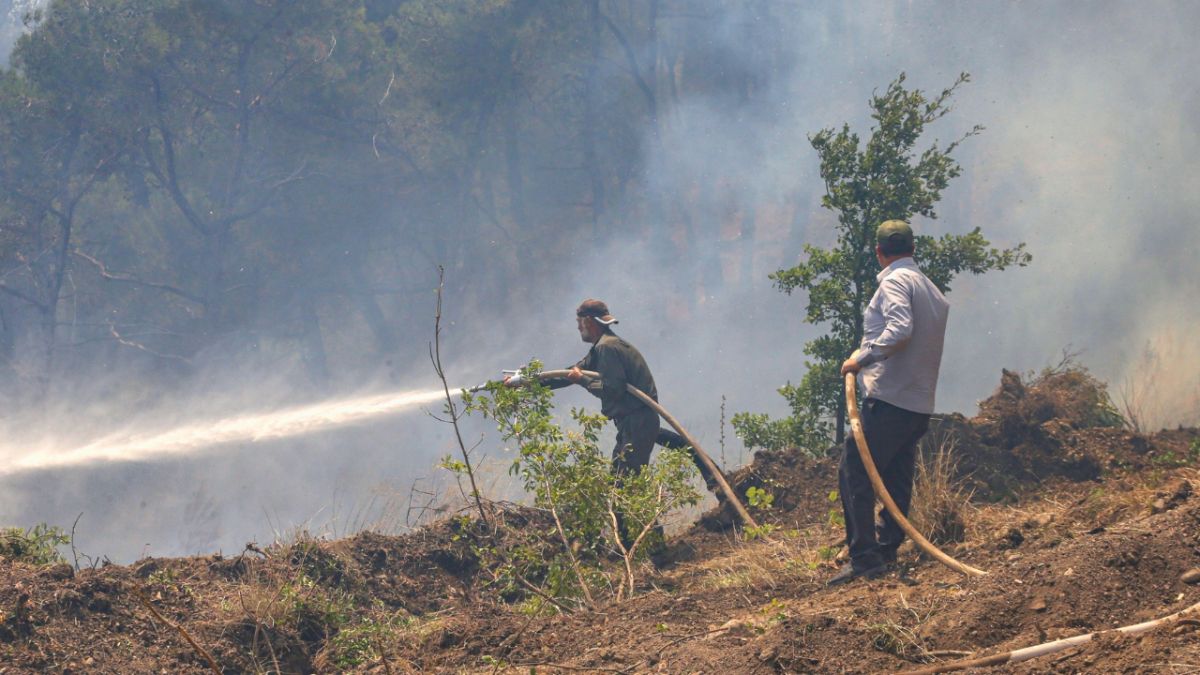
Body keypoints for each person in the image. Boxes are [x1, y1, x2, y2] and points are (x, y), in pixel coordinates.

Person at [519, 299, 729, 537]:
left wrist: (583, 380)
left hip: (637, 420)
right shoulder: (604, 347)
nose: (578, 327)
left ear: (589, 322)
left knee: (626, 489)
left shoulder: (607, 349)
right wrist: (525, 382)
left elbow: (613, 390)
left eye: (579, 322)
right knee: (623, 485)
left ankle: (653, 547)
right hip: (636, 421)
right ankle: (717, 484)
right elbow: (567, 374)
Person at [828, 220, 950, 586]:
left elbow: (899, 330)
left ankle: (865, 558)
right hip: (918, 403)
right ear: (913, 249)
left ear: (879, 253)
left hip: (890, 399)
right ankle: (886, 548)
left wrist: (861, 359)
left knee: (854, 470)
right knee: (896, 475)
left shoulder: (895, 282)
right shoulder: (931, 290)